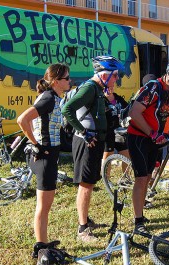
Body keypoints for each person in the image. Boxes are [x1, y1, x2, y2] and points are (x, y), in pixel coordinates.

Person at [62, 55, 124, 242]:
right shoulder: (90, 88)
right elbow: (67, 109)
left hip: (95, 141)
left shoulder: (98, 89)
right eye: (115, 75)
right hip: (86, 142)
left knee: (89, 183)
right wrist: (84, 132)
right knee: (85, 185)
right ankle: (82, 229)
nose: (117, 79)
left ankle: (86, 220)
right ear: (105, 75)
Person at [127, 58, 169, 233]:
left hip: (154, 138)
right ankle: (138, 221)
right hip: (139, 137)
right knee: (141, 179)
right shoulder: (152, 88)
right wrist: (152, 133)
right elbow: (134, 113)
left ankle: (140, 208)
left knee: (148, 177)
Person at [17, 63, 71, 256]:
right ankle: (40, 246)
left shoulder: (53, 97)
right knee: (43, 205)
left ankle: (43, 241)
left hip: (49, 154)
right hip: (45, 156)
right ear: (56, 81)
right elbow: (23, 119)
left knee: (45, 204)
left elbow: (34, 120)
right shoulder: (49, 98)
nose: (69, 81)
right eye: (66, 78)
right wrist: (37, 144)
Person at [102, 86, 129, 162]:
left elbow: (127, 109)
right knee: (108, 156)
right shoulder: (101, 100)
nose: (109, 88)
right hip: (107, 133)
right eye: (106, 87)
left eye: (111, 86)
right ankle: (105, 174)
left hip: (120, 132)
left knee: (126, 156)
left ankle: (126, 174)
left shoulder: (119, 99)